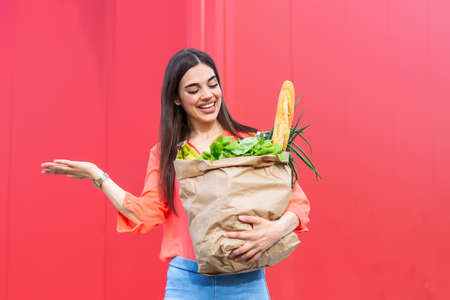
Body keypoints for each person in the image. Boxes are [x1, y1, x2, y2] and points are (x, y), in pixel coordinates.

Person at [41, 48, 311, 299]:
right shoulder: (168, 154)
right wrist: (97, 176)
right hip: (187, 284)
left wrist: (274, 231)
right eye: (193, 89)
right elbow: (144, 214)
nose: (207, 95)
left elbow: (296, 201)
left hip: (246, 281)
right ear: (176, 98)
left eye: (212, 84)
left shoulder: (250, 142)